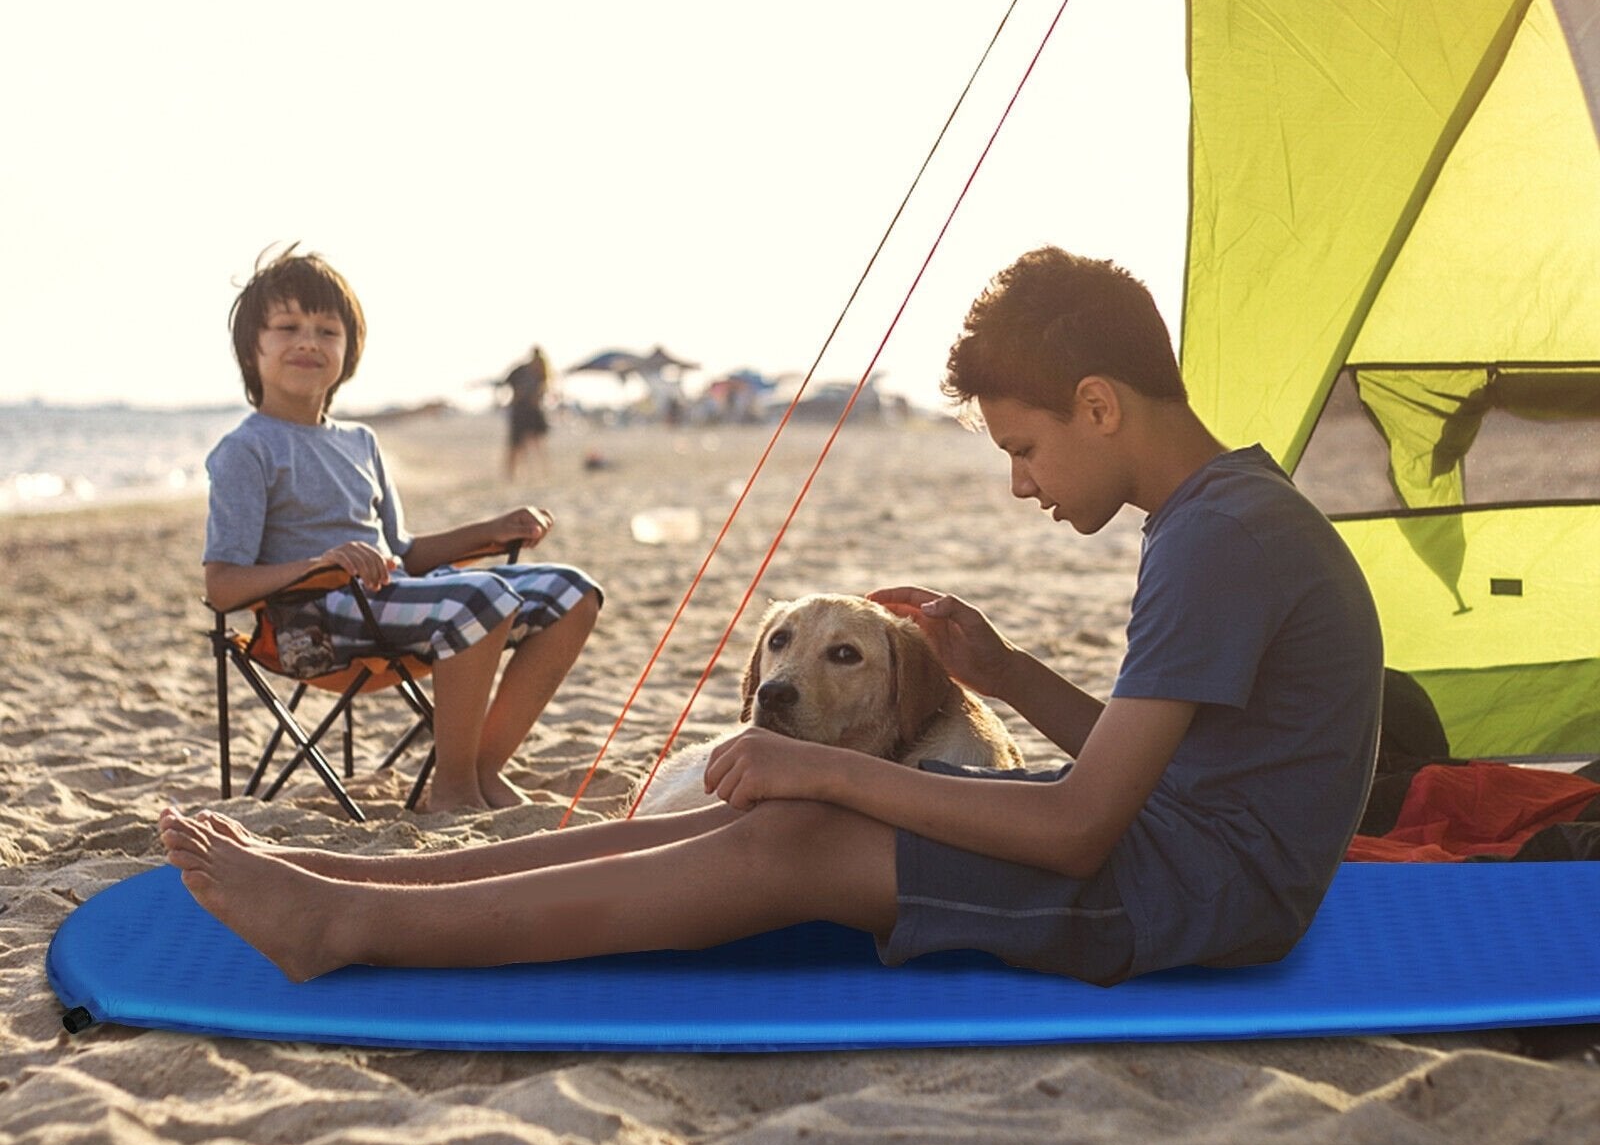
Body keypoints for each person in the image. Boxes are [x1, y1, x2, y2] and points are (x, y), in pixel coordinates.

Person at [163, 247, 1383, 987]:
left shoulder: (1219, 535)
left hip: (1191, 902)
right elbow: (1143, 755)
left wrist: (827, 770)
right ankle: (339, 878)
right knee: (789, 804)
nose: (1022, 482)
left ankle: (349, 922)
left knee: (790, 836)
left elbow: (1073, 827)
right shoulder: (1221, 512)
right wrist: (1003, 674)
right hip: (1174, 848)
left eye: (1024, 448)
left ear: (1098, 405)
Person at [202, 245, 603, 815]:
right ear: (252, 348)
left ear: (349, 350)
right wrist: (322, 565)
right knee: (482, 600)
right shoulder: (246, 450)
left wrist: (490, 530)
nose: (309, 342)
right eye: (288, 327)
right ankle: (454, 789)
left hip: (389, 604)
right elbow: (222, 586)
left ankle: (481, 767)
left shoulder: (360, 442)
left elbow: (405, 554)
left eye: (327, 330)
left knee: (572, 592)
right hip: (310, 626)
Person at [501, 345, 552, 480]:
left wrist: (536, 397)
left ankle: (541, 472)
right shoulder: (521, 370)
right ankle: (512, 474)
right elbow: (505, 383)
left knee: (535, 443)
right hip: (520, 410)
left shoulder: (541, 369)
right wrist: (516, 395)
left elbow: (544, 388)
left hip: (533, 411)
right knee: (517, 445)